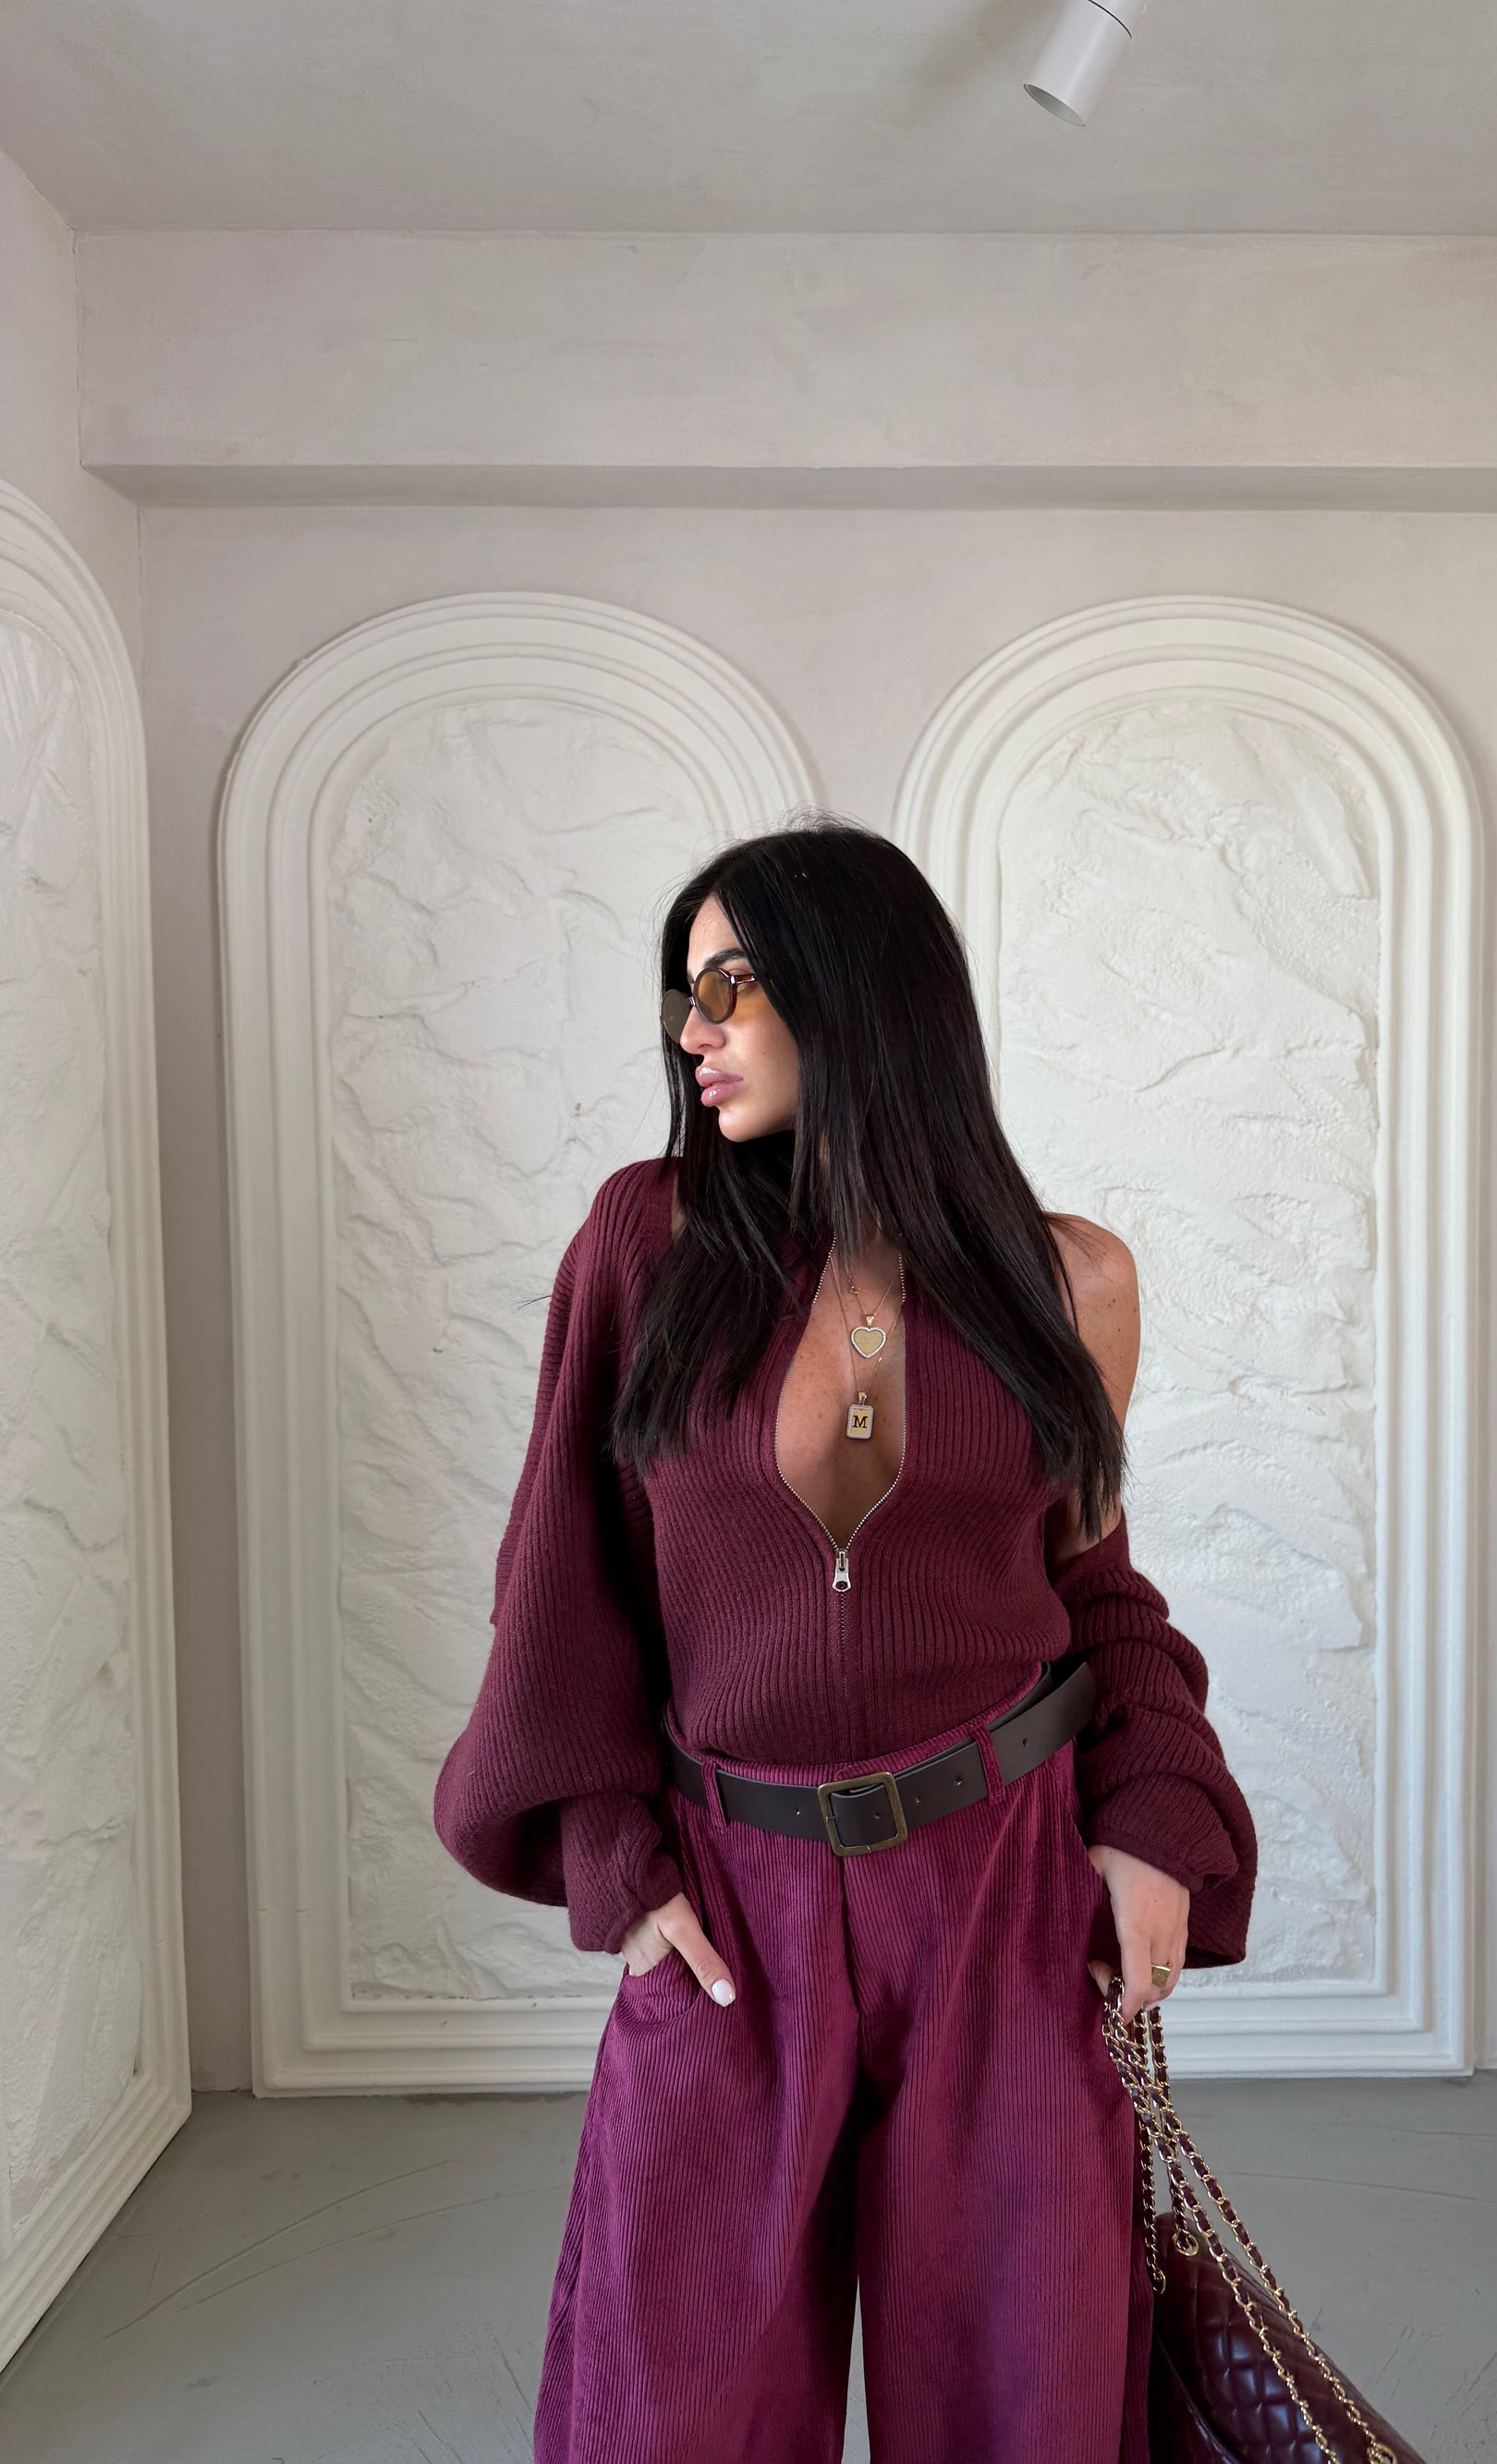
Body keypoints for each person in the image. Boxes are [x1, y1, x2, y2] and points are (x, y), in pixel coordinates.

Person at [432, 813, 1258, 2464]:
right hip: (730, 1898)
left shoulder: (1070, 1281)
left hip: (1005, 1885)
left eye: (733, 984)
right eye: (685, 992)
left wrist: (1154, 1816)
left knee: (1026, 2405)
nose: (693, 1032)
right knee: (673, 2409)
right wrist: (616, 1860)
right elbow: (559, 1583)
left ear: (863, 991)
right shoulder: (645, 1244)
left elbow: (1096, 1584)